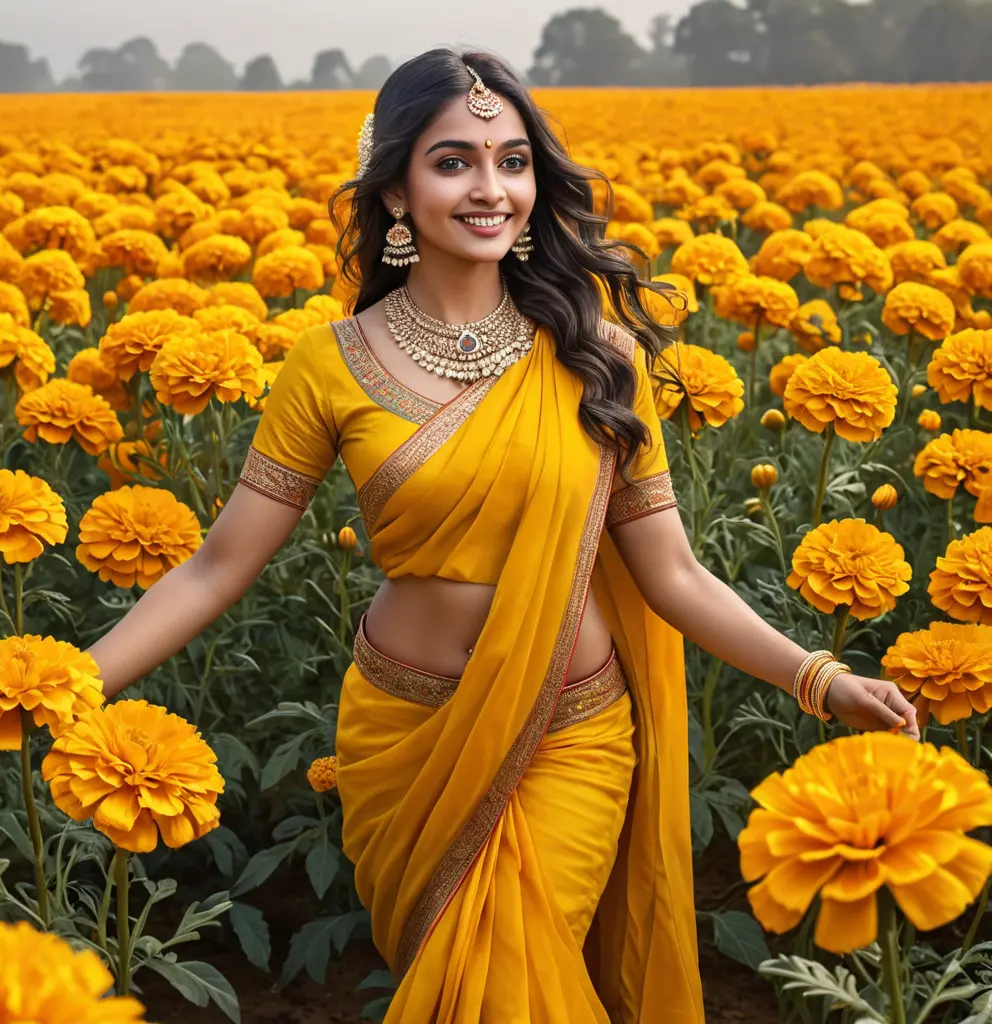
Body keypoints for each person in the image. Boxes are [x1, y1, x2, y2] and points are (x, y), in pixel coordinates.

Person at [88, 48, 920, 1024]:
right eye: (454, 162)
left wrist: (818, 677)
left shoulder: (595, 353)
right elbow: (217, 564)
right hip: (406, 738)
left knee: (508, 996)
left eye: (512, 160)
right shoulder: (331, 361)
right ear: (395, 189)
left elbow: (676, 574)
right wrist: (72, 681)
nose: (491, 188)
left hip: (569, 737)